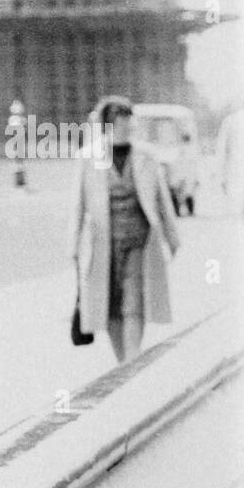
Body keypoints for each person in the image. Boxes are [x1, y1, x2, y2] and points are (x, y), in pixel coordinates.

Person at [67, 95, 181, 365]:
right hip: (102, 245)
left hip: (139, 242)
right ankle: (124, 362)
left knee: (134, 302)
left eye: (127, 123)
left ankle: (131, 359)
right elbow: (77, 205)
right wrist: (72, 247)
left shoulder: (146, 157)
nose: (125, 129)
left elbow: (163, 202)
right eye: (119, 124)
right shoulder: (88, 158)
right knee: (110, 305)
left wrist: (173, 239)